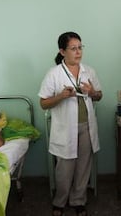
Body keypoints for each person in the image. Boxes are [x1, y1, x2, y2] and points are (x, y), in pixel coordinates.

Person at [38, 31, 102, 216]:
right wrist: (61, 96)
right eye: (73, 48)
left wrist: (91, 92)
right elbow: (43, 103)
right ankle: (59, 202)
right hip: (65, 129)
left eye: (80, 47)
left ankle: (78, 201)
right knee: (64, 170)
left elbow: (99, 96)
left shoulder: (89, 71)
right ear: (62, 51)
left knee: (83, 168)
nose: (78, 52)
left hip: (86, 127)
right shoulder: (54, 74)